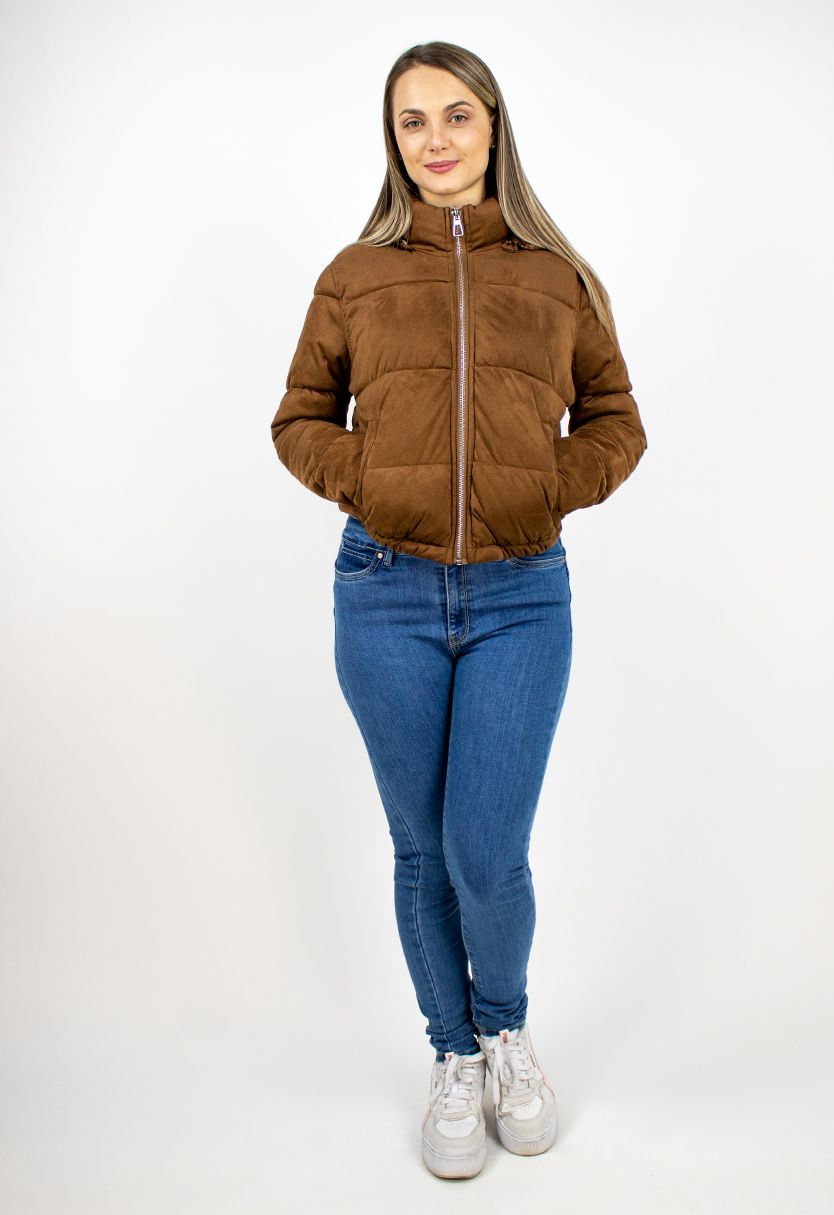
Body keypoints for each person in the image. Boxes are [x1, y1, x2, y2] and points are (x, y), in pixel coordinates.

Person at [270, 40, 647, 1179]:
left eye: (455, 116)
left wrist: (543, 488)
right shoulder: (353, 274)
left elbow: (617, 420)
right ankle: (454, 1054)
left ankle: (507, 1030)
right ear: (392, 142)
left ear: (493, 126)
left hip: (521, 594)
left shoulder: (557, 277)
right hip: (382, 590)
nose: (435, 140)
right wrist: (372, 479)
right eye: (412, 121)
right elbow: (298, 419)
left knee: (487, 850)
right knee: (422, 849)